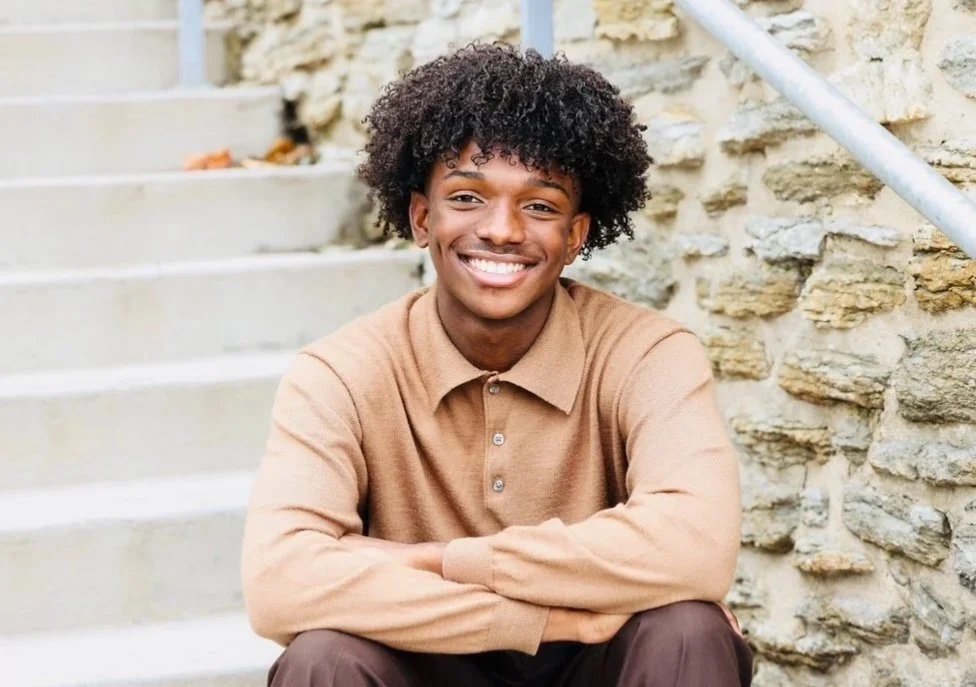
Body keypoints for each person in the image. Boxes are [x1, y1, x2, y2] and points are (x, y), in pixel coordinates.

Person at [241, 43, 753, 687]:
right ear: (422, 217)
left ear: (575, 236)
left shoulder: (648, 352)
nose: (504, 230)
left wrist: (440, 560)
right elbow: (279, 584)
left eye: (539, 205)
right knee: (322, 658)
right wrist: (540, 620)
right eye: (467, 197)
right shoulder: (338, 373)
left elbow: (695, 549)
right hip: (426, 662)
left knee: (687, 630)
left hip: (598, 666)